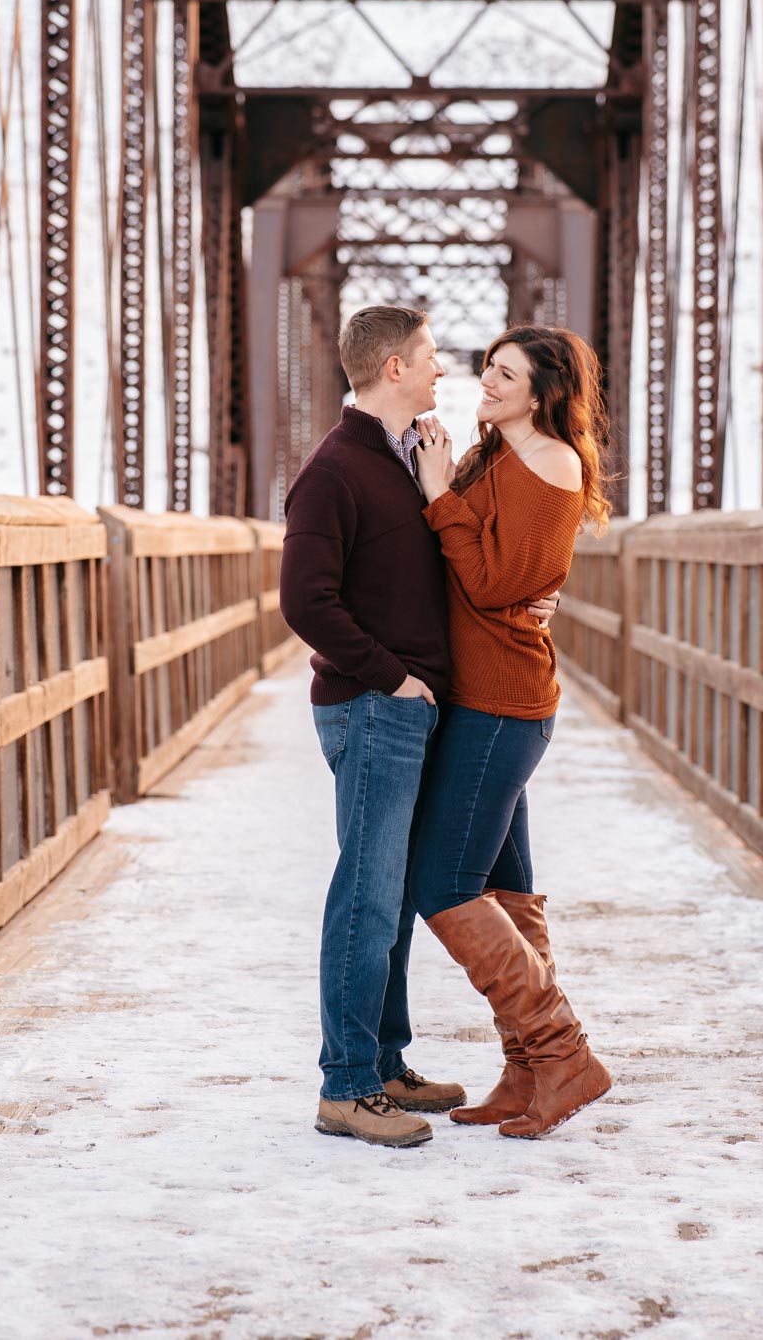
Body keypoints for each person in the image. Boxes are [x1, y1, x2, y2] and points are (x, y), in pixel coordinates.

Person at [279, 305, 558, 1150]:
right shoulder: (334, 471)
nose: (446, 371)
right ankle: (347, 1086)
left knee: (393, 898)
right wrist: (392, 677)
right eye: (433, 357)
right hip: (374, 708)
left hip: (414, 708)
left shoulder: (409, 459)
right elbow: (305, 602)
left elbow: (477, 557)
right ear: (395, 368)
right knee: (366, 897)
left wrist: (529, 595)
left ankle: (386, 1063)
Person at [409, 325, 613, 1139]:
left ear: (544, 392)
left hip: (504, 704)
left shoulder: (552, 462)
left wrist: (436, 495)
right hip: (481, 698)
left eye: (506, 375)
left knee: (444, 883)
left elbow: (494, 581)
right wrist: (445, 488)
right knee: (508, 890)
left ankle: (564, 1054)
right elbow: (478, 565)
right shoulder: (495, 451)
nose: (486, 383)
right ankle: (529, 1069)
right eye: (487, 368)